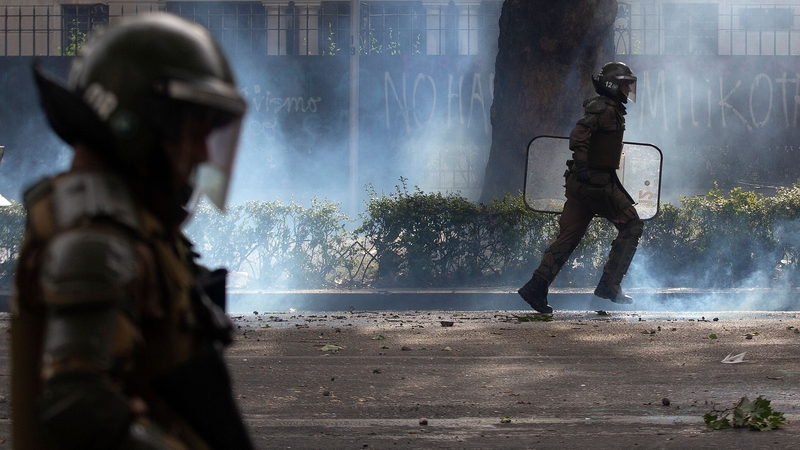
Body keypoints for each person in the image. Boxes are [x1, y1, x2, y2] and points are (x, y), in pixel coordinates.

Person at [11, 13, 253, 449]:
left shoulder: (132, 222)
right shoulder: (97, 235)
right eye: (191, 131)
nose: (202, 152)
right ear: (139, 121)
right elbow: (79, 408)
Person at [518, 62, 643, 314]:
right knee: (632, 225)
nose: (629, 90)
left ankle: (536, 286)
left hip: (583, 183)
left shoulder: (611, 109)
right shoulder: (604, 109)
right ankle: (610, 285)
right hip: (594, 183)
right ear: (613, 85)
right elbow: (578, 136)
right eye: (625, 84)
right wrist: (586, 168)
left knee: (568, 237)